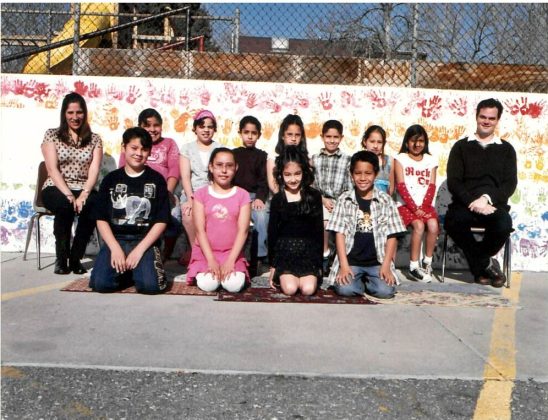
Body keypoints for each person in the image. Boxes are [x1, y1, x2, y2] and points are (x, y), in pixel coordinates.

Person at [445, 98, 517, 287]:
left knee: (503, 225)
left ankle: (479, 268)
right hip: (464, 204)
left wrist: (486, 199)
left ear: (497, 120)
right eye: (483, 117)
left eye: (491, 118)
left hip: (493, 205)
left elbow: (510, 183)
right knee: (453, 222)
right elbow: (454, 181)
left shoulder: (507, 149)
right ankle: (486, 265)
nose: (486, 121)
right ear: (476, 117)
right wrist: (472, 202)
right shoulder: (460, 147)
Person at [90, 127, 170, 294]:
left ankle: (138, 269)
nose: (138, 153)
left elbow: (161, 220)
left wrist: (139, 251)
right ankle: (128, 272)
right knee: (101, 284)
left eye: (144, 149)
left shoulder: (157, 180)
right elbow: (101, 218)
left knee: (150, 286)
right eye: (134, 148)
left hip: (144, 240)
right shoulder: (111, 179)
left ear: (149, 152)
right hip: (116, 239)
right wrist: (114, 248)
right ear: (124, 147)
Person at [325, 151, 406, 298]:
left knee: (386, 291)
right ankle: (359, 282)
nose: (363, 178)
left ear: (375, 174)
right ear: (351, 174)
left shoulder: (386, 201)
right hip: (351, 262)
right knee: (345, 290)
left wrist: (386, 266)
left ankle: (368, 281)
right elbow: (339, 234)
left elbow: (392, 235)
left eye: (368, 173)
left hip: (377, 262)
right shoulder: (344, 199)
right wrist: (344, 266)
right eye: (358, 173)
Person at [41, 92, 103, 275]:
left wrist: (84, 194)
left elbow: (94, 170)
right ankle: (61, 258)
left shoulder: (95, 139)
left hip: (83, 187)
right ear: (64, 114)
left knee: (94, 205)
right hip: (56, 187)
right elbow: (52, 169)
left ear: (85, 113)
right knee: (65, 206)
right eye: (70, 112)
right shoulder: (52, 135)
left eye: (79, 112)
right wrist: (68, 194)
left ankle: (75, 258)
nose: (75, 117)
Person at [119, 108, 181, 261]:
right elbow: (122, 168)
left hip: (163, 193)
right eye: (147, 125)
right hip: (137, 194)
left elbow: (174, 170)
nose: (152, 129)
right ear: (140, 126)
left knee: (174, 217)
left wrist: (167, 193)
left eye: (156, 125)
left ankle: (165, 255)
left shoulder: (169, 143)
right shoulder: (133, 145)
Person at [186, 148, 251, 292]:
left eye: (229, 166)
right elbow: (199, 230)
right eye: (219, 165)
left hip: (232, 253)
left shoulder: (243, 195)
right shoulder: (201, 194)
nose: (224, 170)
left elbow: (243, 231)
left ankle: (230, 270)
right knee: (208, 284)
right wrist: (211, 260)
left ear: (236, 168)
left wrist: (230, 261)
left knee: (233, 286)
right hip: (206, 253)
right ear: (211, 167)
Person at [267, 146, 323, 296]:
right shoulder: (278, 199)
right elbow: (272, 234)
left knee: (308, 289)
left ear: (304, 172)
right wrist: (273, 265)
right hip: (285, 254)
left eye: (297, 174)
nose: (293, 179)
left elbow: (318, 231)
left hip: (308, 253)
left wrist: (318, 264)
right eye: (288, 175)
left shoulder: (314, 196)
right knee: (290, 289)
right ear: (281, 175)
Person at [394, 124, 439, 283]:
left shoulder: (431, 160)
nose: (417, 144)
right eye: (413, 140)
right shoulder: (400, 159)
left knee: (433, 225)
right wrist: (414, 208)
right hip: (405, 205)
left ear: (425, 143)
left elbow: (432, 186)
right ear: (407, 142)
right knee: (419, 226)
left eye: (421, 141)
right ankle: (414, 266)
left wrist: (424, 207)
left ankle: (427, 261)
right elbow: (401, 186)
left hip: (424, 206)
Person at [179, 109, 222, 265]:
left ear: (214, 129)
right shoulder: (187, 148)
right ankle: (195, 251)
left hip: (213, 191)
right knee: (188, 215)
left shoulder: (220, 148)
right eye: (202, 126)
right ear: (195, 128)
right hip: (192, 192)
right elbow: (185, 177)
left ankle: (214, 251)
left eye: (210, 127)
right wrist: (191, 198)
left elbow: (221, 175)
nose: (206, 130)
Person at [311, 119, 352, 273]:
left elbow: (349, 186)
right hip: (320, 199)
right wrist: (323, 200)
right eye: (328, 137)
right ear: (322, 137)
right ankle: (325, 253)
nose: (332, 140)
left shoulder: (347, 160)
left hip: (340, 200)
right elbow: (311, 185)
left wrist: (340, 202)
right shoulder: (315, 159)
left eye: (336, 137)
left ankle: (340, 256)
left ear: (341, 138)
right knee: (325, 222)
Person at [232, 116, 269, 270]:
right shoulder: (233, 154)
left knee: (262, 215)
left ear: (259, 135)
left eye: (254, 133)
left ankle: (258, 255)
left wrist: (260, 198)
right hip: (235, 195)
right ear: (240, 133)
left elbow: (263, 181)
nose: (250, 136)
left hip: (253, 197)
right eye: (246, 132)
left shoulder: (261, 156)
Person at [266, 114, 308, 194]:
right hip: (279, 198)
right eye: (289, 134)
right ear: (282, 135)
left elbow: (309, 183)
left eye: (297, 135)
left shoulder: (306, 158)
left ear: (302, 137)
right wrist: (288, 198)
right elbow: (273, 186)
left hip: (302, 198)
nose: (293, 139)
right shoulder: (273, 158)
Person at [362, 125, 395, 195]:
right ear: (365, 141)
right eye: (372, 141)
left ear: (384, 143)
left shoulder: (389, 161)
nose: (375, 146)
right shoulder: (358, 160)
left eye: (379, 142)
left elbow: (391, 187)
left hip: (383, 200)